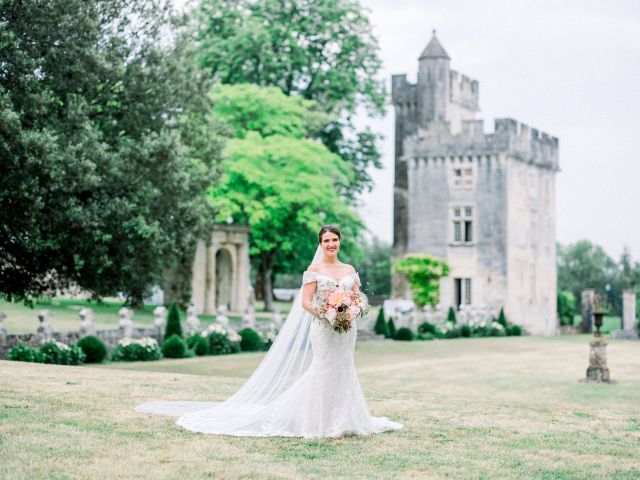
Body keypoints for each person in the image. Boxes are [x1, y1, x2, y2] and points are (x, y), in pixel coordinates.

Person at [136, 225, 402, 438]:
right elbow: (306, 302)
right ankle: (321, 423)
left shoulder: (349, 270)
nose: (331, 244)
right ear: (320, 245)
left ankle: (347, 420)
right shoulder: (313, 270)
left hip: (347, 331)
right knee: (323, 369)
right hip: (323, 327)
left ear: (339, 242)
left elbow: (357, 298)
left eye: (334, 240)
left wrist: (352, 310)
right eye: (326, 241)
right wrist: (327, 314)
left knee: (345, 369)